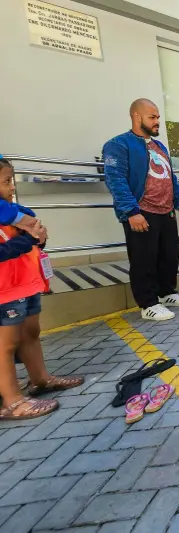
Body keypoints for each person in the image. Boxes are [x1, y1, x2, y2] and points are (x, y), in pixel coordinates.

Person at [0, 159, 84, 420]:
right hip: (6, 290)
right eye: (5, 182)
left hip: (27, 283)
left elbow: (30, 233)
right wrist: (28, 239)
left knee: (31, 332)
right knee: (6, 344)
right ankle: (11, 400)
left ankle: (40, 379)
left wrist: (39, 238)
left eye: (11, 181)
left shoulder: (15, 212)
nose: (12, 187)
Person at [102, 99, 179, 321]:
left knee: (168, 255)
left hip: (166, 211)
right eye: (152, 117)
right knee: (144, 259)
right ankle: (148, 304)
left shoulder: (159, 147)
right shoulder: (118, 145)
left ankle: (167, 293)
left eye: (158, 117)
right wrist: (131, 212)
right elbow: (116, 180)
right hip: (141, 211)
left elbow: (170, 178)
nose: (157, 121)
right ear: (136, 116)